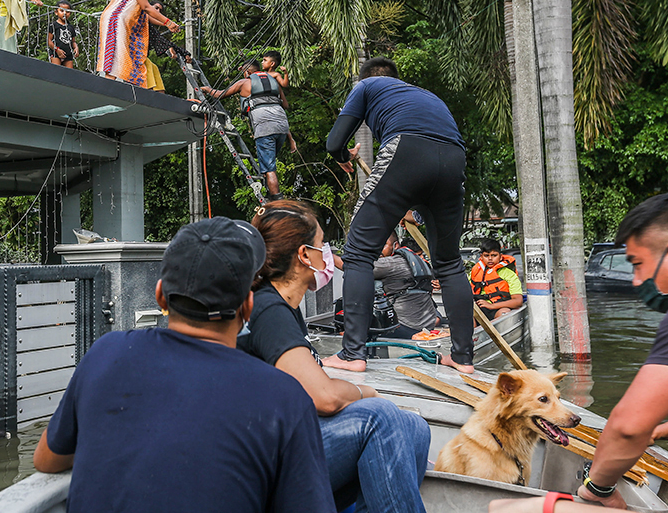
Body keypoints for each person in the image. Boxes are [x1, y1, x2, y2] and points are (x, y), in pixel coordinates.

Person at [33, 216, 336, 513]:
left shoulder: (105, 352)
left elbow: (47, 459)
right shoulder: (284, 397)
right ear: (247, 306)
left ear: (160, 296)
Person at [494, 193, 668, 512]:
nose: (637, 280)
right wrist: (658, 429)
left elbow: (628, 427)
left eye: (638, 265)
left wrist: (598, 488)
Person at [238, 200, 431, 513]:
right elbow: (324, 398)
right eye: (320, 244)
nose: (325, 253)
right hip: (270, 461)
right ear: (303, 255)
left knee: (416, 428)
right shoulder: (269, 310)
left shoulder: (284, 309)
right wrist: (365, 392)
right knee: (380, 417)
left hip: (292, 439)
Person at [323, 56, 475, 374]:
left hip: (405, 150)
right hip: (453, 158)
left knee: (359, 253)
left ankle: (352, 354)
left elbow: (334, 141)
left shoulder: (366, 85)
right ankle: (463, 359)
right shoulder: (427, 96)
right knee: (448, 263)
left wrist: (342, 156)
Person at [201, 54, 297, 199]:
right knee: (267, 164)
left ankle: (277, 201)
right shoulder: (273, 81)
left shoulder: (244, 82)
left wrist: (207, 89)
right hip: (282, 126)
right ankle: (271, 194)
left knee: (270, 169)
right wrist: (291, 140)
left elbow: (219, 94)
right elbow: (285, 105)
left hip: (265, 127)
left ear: (248, 73)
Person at [96, 0, 180, 87]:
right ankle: (109, 85)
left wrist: (167, 24)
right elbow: (146, 7)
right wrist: (168, 22)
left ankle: (115, 85)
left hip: (120, 23)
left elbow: (145, 15)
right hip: (116, 21)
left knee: (125, 55)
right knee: (116, 55)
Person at [374, 232, 443, 339]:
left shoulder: (391, 263)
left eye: (383, 244)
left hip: (408, 324)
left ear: (396, 246)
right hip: (426, 319)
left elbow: (353, 267)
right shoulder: (424, 265)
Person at [469, 238, 524, 321]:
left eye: (494, 255)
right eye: (486, 256)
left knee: (505, 313)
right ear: (481, 257)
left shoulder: (509, 274)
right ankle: (472, 333)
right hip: (479, 309)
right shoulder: (475, 272)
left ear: (500, 256)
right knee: (466, 314)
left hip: (499, 308)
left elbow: (518, 301)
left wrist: (491, 306)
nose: (490, 259)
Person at [48, 0, 80, 67]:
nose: (65, 13)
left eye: (67, 11)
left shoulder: (71, 27)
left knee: (69, 73)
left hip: (68, 54)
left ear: (70, 13)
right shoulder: (53, 25)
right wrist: (57, 50)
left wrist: (76, 47)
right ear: (56, 12)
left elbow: (73, 41)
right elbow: (49, 41)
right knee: (56, 71)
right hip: (56, 53)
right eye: (62, 11)